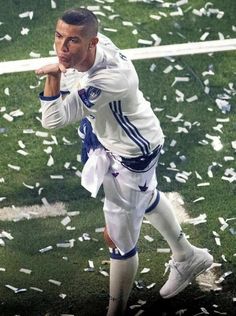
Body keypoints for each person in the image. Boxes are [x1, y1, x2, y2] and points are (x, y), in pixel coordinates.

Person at [36, 8, 213, 315]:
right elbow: (74, 77)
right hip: (115, 139)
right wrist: (66, 67)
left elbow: (53, 119)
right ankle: (187, 256)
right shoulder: (96, 44)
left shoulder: (109, 79)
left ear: (92, 43)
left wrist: (55, 75)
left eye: (73, 41)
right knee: (146, 197)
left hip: (132, 154)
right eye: (58, 36)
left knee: (117, 239)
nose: (62, 48)